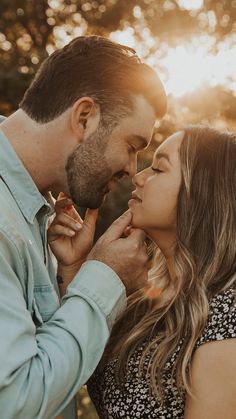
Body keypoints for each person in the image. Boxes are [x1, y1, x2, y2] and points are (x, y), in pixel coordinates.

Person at [0, 35, 167, 419]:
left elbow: (41, 355)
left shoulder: (35, 210)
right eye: (132, 145)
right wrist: (103, 278)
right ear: (84, 116)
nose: (132, 170)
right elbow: (15, 401)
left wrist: (71, 280)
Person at [50, 126, 236, 418]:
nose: (138, 176)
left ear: (200, 192)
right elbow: (72, 362)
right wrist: (73, 267)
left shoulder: (227, 314)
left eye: (159, 169)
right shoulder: (146, 293)